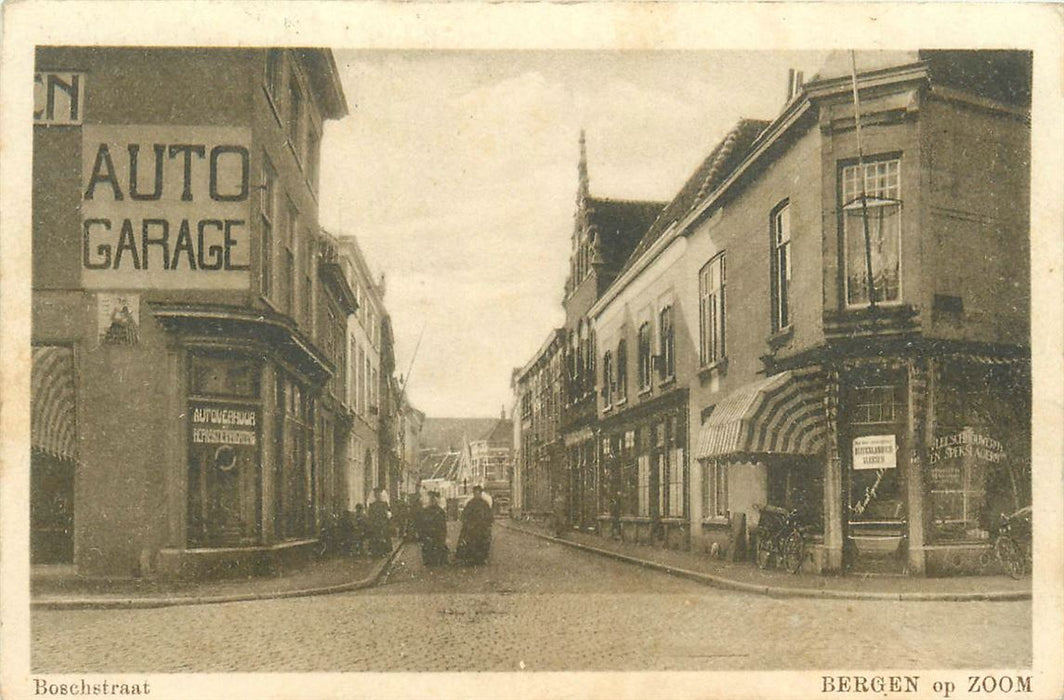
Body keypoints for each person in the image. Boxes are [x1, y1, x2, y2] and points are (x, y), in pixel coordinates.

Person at [456, 485, 494, 565]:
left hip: (482, 528)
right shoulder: (470, 504)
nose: (477, 495)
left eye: (478, 493)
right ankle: (471, 557)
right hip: (472, 528)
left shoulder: (484, 504)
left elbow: (489, 516)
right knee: (469, 540)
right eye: (475, 493)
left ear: (480, 494)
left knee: (483, 541)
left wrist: (487, 524)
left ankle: (482, 557)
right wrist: (467, 523)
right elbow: (464, 515)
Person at [415, 491, 449, 566]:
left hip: (437, 532)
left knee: (437, 546)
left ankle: (436, 560)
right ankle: (430, 560)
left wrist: (443, 533)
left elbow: (443, 524)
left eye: (434, 500)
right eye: (431, 500)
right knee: (428, 546)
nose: (433, 501)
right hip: (428, 532)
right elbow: (422, 522)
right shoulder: (425, 511)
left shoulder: (440, 511)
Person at [366, 488, 392, 557]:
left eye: (379, 494)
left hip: (382, 523)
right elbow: (370, 514)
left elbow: (388, 513)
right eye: (376, 494)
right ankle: (374, 552)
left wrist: (387, 519)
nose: (378, 495)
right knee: (375, 537)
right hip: (375, 523)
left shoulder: (384, 504)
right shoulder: (372, 505)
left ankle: (382, 552)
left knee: (382, 537)